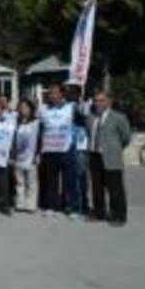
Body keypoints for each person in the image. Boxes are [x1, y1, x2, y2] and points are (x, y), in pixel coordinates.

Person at [86, 91, 132, 226]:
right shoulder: (91, 117)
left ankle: (119, 215)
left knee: (115, 188)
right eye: (96, 100)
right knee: (97, 187)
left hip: (111, 158)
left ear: (109, 102)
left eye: (101, 100)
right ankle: (99, 213)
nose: (98, 103)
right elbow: (89, 134)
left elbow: (126, 138)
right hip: (94, 156)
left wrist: (114, 149)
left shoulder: (119, 117)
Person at [39, 84, 84, 219]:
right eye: (51, 93)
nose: (52, 95)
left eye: (55, 93)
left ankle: (74, 208)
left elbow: (82, 121)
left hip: (66, 149)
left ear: (62, 94)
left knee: (70, 181)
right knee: (52, 182)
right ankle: (53, 207)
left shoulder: (71, 107)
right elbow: (41, 129)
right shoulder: (43, 110)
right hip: (50, 150)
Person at [13, 99, 41, 213]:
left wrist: (38, 154)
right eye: (21, 107)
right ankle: (20, 203)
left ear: (31, 109)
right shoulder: (17, 122)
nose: (23, 109)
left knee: (31, 181)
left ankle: (31, 205)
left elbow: (40, 139)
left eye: (26, 107)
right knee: (20, 181)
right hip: (19, 156)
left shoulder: (36, 122)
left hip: (31, 156)